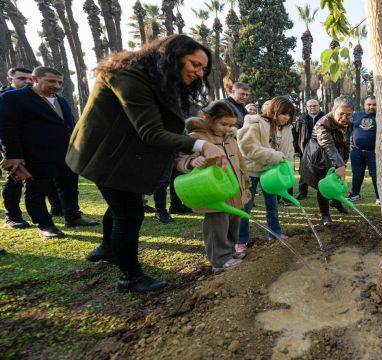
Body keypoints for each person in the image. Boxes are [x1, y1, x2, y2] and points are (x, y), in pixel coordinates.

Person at [66, 35, 228, 292]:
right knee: (129, 213)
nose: (199, 73)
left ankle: (108, 248)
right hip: (104, 156)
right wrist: (201, 145)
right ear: (172, 57)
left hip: (122, 156)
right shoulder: (128, 75)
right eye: (194, 65)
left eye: (203, 69)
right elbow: (151, 132)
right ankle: (130, 277)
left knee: (119, 208)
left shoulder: (157, 78)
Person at [0, 66, 98, 239]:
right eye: (51, 81)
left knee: (69, 187)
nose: (57, 85)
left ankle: (73, 216)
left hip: (65, 154)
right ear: (35, 79)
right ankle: (45, 225)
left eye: (60, 82)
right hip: (35, 156)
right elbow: (7, 128)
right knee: (36, 191)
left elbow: (69, 126)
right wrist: (12, 155)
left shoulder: (62, 101)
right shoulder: (13, 98)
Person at [176, 100, 249, 271]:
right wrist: (192, 161)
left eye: (230, 125)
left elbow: (240, 163)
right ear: (208, 117)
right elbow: (179, 159)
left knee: (233, 223)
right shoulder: (196, 138)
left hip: (234, 189)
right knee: (217, 225)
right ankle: (219, 260)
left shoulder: (230, 137)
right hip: (213, 192)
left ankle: (230, 252)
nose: (226, 128)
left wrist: (245, 185)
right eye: (223, 124)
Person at [236, 96, 295, 253]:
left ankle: (275, 233)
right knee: (245, 205)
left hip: (272, 172)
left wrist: (288, 168)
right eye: (284, 113)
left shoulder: (287, 128)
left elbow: (289, 151)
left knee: (272, 204)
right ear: (274, 110)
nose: (286, 117)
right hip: (251, 170)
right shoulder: (254, 122)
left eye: (289, 115)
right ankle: (241, 239)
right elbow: (247, 148)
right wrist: (275, 156)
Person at [301, 96, 354, 225]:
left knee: (338, 181)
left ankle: (337, 203)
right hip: (318, 158)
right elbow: (328, 144)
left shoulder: (349, 123)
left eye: (348, 114)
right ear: (333, 110)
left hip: (337, 154)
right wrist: (339, 163)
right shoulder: (322, 124)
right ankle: (325, 216)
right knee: (323, 184)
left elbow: (345, 142)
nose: (344, 117)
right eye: (341, 114)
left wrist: (344, 160)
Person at [1, 67, 33, 229]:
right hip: (10, 149)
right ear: (10, 79)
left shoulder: (35, 98)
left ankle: (56, 210)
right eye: (21, 78)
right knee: (15, 180)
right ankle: (12, 217)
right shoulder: (4, 98)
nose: (27, 82)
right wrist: (9, 152)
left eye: (30, 79)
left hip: (31, 147)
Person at [348, 96, 380, 204]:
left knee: (376, 175)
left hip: (374, 152)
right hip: (357, 151)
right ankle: (355, 194)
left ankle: (379, 197)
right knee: (357, 174)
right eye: (369, 104)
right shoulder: (356, 115)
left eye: (374, 104)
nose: (371, 107)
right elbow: (350, 129)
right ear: (364, 105)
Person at [293, 99, 325, 200]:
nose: (312, 108)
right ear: (307, 107)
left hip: (321, 149)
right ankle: (303, 192)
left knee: (322, 170)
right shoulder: (301, 119)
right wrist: (296, 149)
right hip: (305, 148)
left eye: (314, 106)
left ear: (318, 106)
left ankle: (323, 191)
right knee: (304, 171)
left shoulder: (325, 117)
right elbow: (296, 134)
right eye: (310, 106)